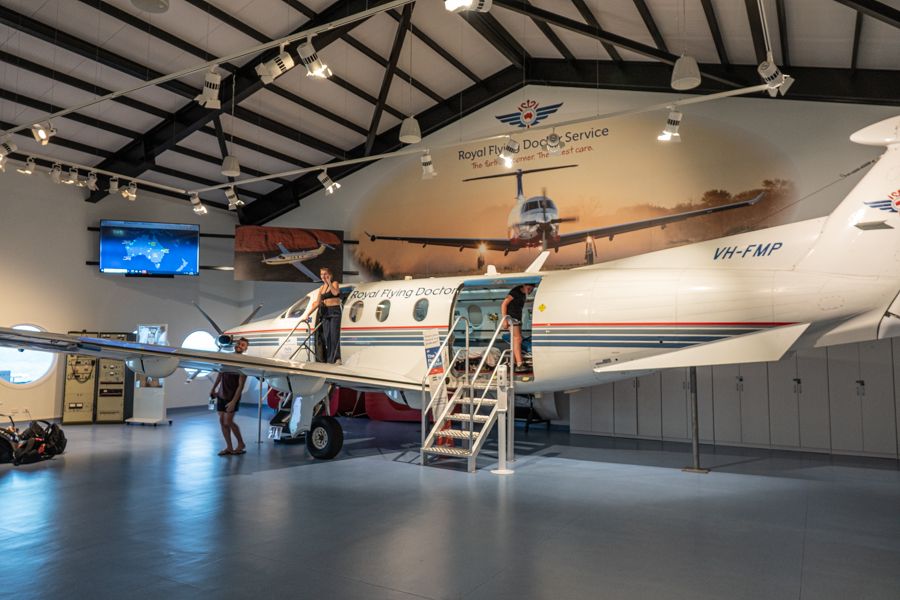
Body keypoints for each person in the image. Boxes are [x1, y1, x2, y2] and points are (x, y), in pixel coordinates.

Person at [209, 337, 248, 456]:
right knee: (222, 421)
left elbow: (241, 385)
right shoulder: (227, 358)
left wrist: (233, 401)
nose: (240, 346)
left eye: (243, 345)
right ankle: (229, 447)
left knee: (228, 421)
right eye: (239, 343)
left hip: (232, 396)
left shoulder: (244, 362)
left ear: (246, 348)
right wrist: (213, 388)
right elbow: (220, 374)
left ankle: (241, 444)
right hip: (221, 394)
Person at [309, 267, 342, 363]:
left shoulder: (335, 283)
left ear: (330, 275)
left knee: (334, 335)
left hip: (334, 312)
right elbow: (317, 303)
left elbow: (335, 292)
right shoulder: (321, 288)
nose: (323, 276)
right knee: (327, 337)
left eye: (325, 274)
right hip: (325, 312)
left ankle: (337, 358)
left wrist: (329, 283)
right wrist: (308, 314)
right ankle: (330, 359)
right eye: (321, 274)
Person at [501, 283, 535, 373]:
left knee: (516, 340)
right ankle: (520, 364)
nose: (530, 291)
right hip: (511, 318)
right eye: (528, 288)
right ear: (524, 285)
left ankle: (515, 363)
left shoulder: (523, 294)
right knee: (517, 339)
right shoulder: (515, 292)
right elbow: (504, 304)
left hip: (517, 319)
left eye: (531, 289)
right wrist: (505, 320)